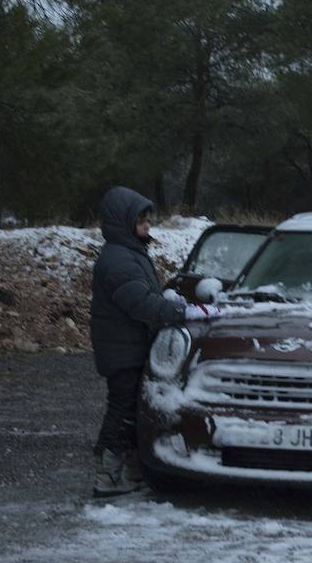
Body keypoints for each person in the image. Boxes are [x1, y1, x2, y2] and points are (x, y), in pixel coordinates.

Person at [88, 186, 223, 497]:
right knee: (122, 411)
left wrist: (168, 297)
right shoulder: (118, 259)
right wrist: (185, 310)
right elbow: (140, 305)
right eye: (140, 220)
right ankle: (106, 473)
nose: (147, 225)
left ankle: (132, 471)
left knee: (134, 409)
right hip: (122, 352)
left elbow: (146, 296)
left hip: (130, 348)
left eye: (147, 219)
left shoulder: (131, 253)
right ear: (123, 222)